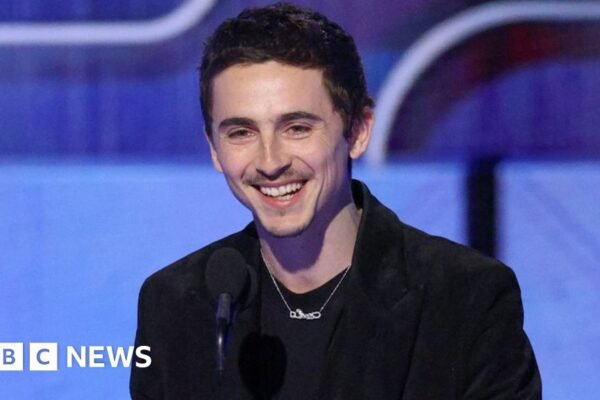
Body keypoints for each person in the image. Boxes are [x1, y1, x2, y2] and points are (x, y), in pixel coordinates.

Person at [130, 3, 541, 399]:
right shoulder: (175, 305)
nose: (270, 162)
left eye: (296, 128)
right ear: (214, 149)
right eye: (241, 133)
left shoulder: (465, 297)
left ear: (358, 130)